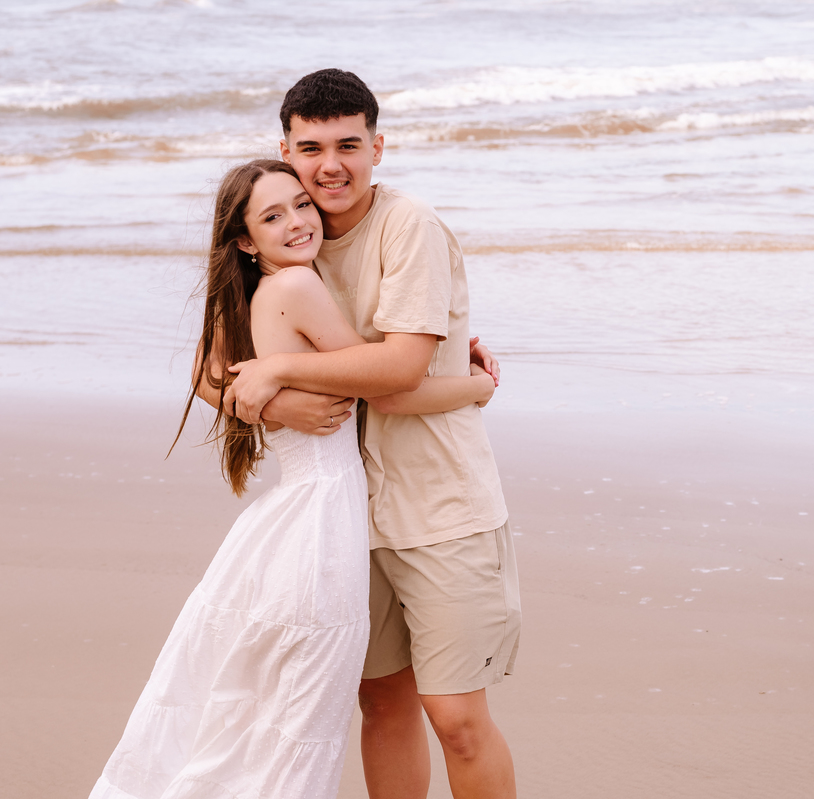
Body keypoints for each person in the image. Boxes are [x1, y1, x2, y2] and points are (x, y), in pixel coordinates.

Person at [90, 160, 497, 799]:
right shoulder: (295, 289)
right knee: (302, 705)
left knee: (275, 702)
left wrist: (275, 380)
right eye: (273, 216)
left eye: (300, 205)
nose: (298, 221)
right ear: (246, 241)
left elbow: (217, 365)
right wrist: (479, 384)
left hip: (304, 511)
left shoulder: (256, 291)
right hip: (322, 520)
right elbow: (389, 383)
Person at [221, 69, 520, 799]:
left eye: (349, 144)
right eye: (311, 146)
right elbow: (212, 364)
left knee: (455, 717)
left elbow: (400, 365)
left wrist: (281, 371)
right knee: (381, 704)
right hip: (347, 520)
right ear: (284, 148)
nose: (330, 166)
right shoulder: (292, 232)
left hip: (442, 509)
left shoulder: (407, 225)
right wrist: (269, 404)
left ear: (378, 147)